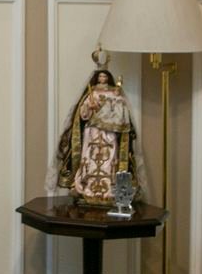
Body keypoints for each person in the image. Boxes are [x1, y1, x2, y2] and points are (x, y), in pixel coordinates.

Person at [48, 67, 145, 207]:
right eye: (100, 77)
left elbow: (121, 112)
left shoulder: (114, 93)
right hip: (93, 131)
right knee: (90, 156)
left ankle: (110, 189)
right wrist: (89, 107)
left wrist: (114, 105)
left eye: (104, 77)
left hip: (109, 132)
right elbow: (83, 114)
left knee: (110, 158)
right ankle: (87, 187)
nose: (102, 79)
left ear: (108, 78)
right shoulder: (92, 93)